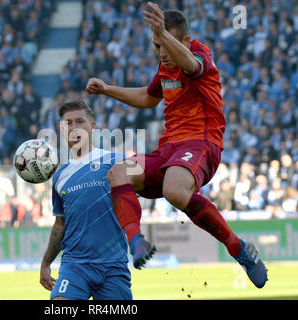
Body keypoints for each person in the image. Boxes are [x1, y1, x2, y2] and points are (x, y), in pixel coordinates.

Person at [86, 3, 267, 288]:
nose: (161, 53)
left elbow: (191, 65)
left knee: (174, 189)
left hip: (201, 143)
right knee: (118, 172)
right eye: (156, 45)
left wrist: (165, 37)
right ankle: (136, 241)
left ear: (183, 41)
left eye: (165, 44)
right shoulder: (164, 67)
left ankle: (239, 249)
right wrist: (107, 89)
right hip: (168, 149)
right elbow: (147, 98)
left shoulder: (199, 55)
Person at [40, 100, 132, 300]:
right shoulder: (59, 176)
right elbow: (59, 225)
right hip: (74, 266)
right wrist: (46, 263)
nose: (74, 128)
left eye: (80, 121)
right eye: (68, 123)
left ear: (92, 126)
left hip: (112, 266)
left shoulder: (115, 161)